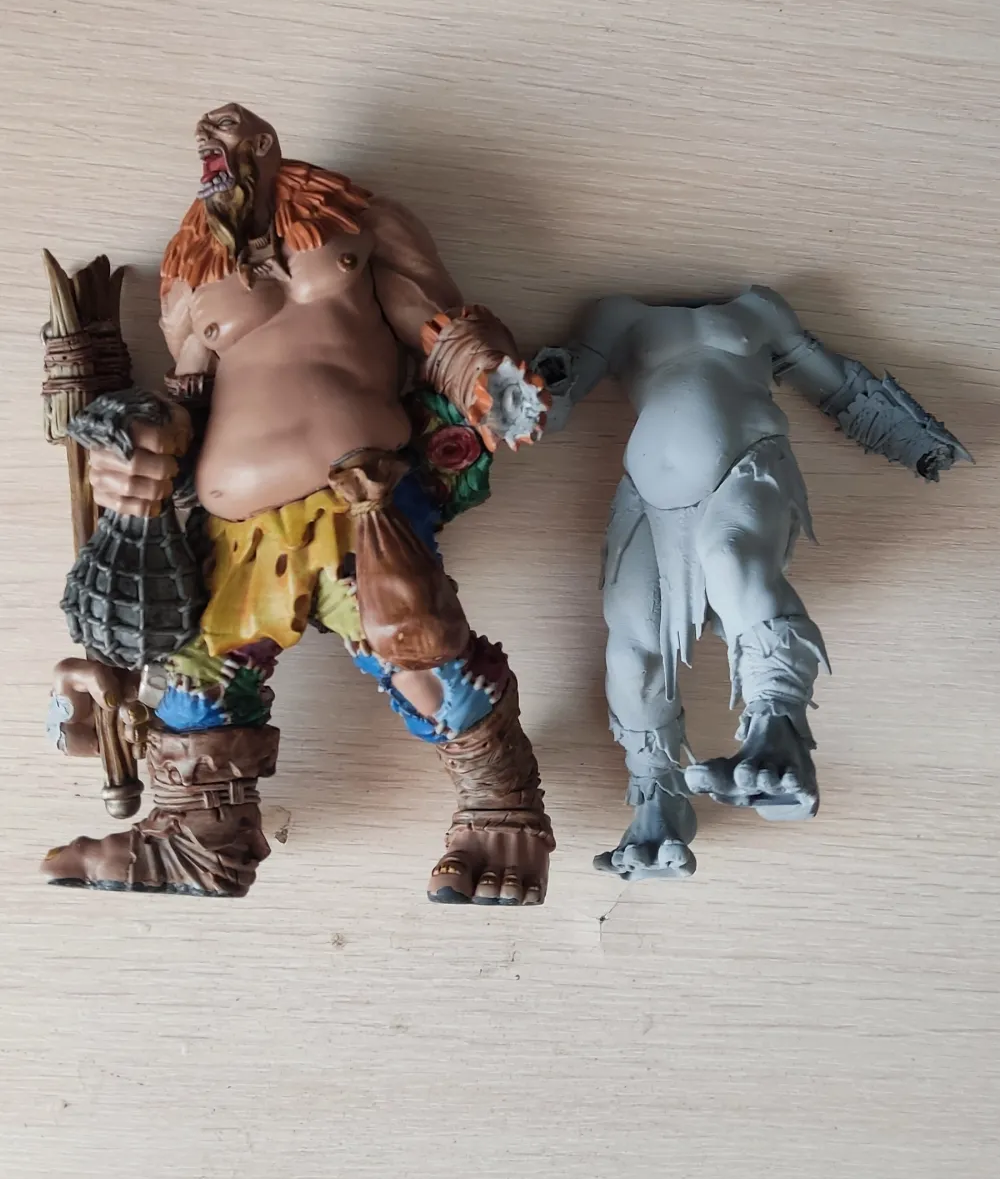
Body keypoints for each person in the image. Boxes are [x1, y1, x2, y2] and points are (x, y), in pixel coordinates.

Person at [45, 105, 553, 906]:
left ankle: (501, 812)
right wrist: (137, 445)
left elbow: (440, 331)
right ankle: (199, 843)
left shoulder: (362, 224)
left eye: (233, 141)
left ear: (266, 145)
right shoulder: (192, 271)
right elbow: (188, 401)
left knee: (421, 655)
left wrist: (489, 381)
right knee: (199, 684)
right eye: (207, 148)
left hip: (362, 501)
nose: (218, 153)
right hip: (237, 528)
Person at [538, 287, 971, 880]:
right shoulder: (614, 317)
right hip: (646, 494)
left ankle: (779, 728)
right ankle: (658, 797)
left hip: (748, 462)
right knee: (632, 652)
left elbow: (836, 386)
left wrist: (914, 440)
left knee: (733, 556)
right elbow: (556, 400)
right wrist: (522, 396)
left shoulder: (760, 310)